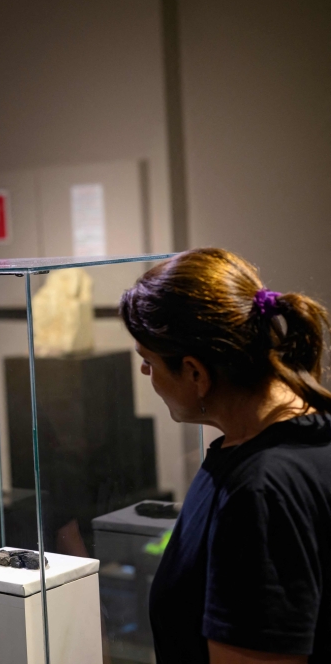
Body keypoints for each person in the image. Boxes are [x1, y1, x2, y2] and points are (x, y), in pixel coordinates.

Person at [119, 248, 331, 664]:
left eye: (149, 361)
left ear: (196, 373)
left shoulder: (259, 492)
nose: (146, 375)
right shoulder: (287, 443)